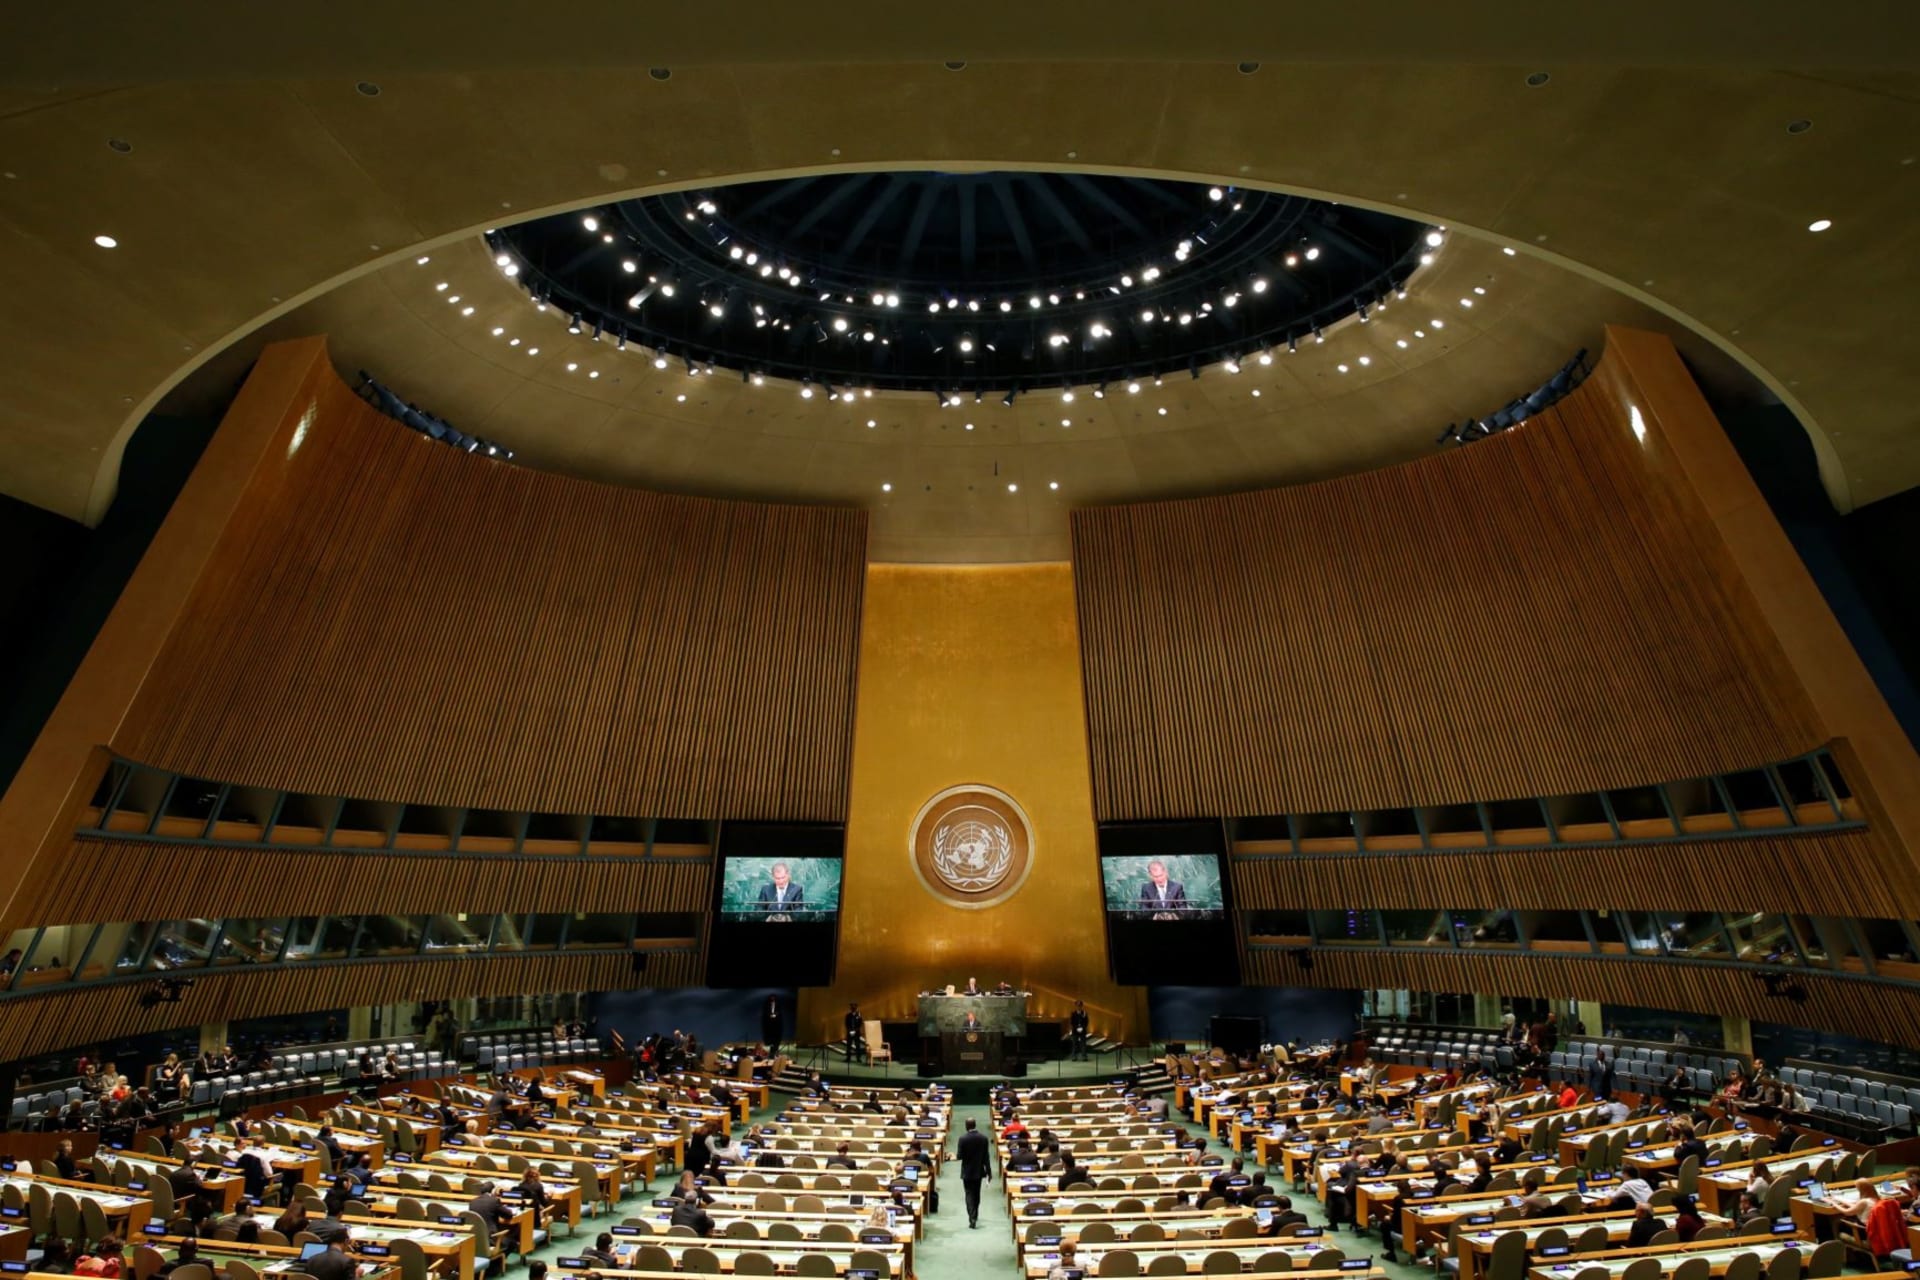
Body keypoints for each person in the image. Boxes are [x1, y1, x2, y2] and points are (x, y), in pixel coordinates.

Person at [953, 1117, 992, 1229]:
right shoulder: (983, 1138)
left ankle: (972, 1218)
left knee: (969, 1194)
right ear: (975, 1125)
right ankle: (975, 1214)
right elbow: (986, 1158)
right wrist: (989, 1172)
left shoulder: (962, 1139)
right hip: (979, 1171)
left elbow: (959, 1156)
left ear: (966, 1126)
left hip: (967, 1172)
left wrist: (952, 1157)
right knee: (977, 1194)